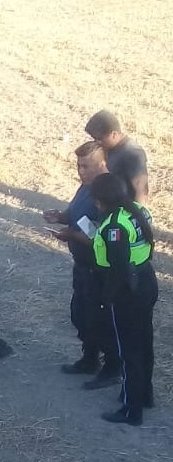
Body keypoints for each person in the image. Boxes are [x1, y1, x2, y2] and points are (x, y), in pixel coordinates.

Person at [43, 142, 121, 389]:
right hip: (82, 266)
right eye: (78, 165)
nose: (81, 171)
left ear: (103, 164)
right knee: (81, 315)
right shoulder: (85, 188)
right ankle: (89, 359)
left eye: (86, 166)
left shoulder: (109, 193)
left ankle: (111, 368)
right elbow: (76, 214)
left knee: (101, 319)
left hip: (99, 270)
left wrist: (73, 235)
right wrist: (60, 217)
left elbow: (104, 237)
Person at [90, 173, 157, 426]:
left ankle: (131, 410)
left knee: (129, 350)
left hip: (128, 290)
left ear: (99, 201)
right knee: (144, 343)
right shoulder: (137, 210)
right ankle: (145, 396)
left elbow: (117, 268)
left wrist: (107, 298)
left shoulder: (114, 226)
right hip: (145, 279)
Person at [85, 110, 148, 203]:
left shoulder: (133, 154)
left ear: (113, 134)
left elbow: (141, 191)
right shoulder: (108, 148)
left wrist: (136, 215)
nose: (96, 143)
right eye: (94, 139)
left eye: (100, 139)